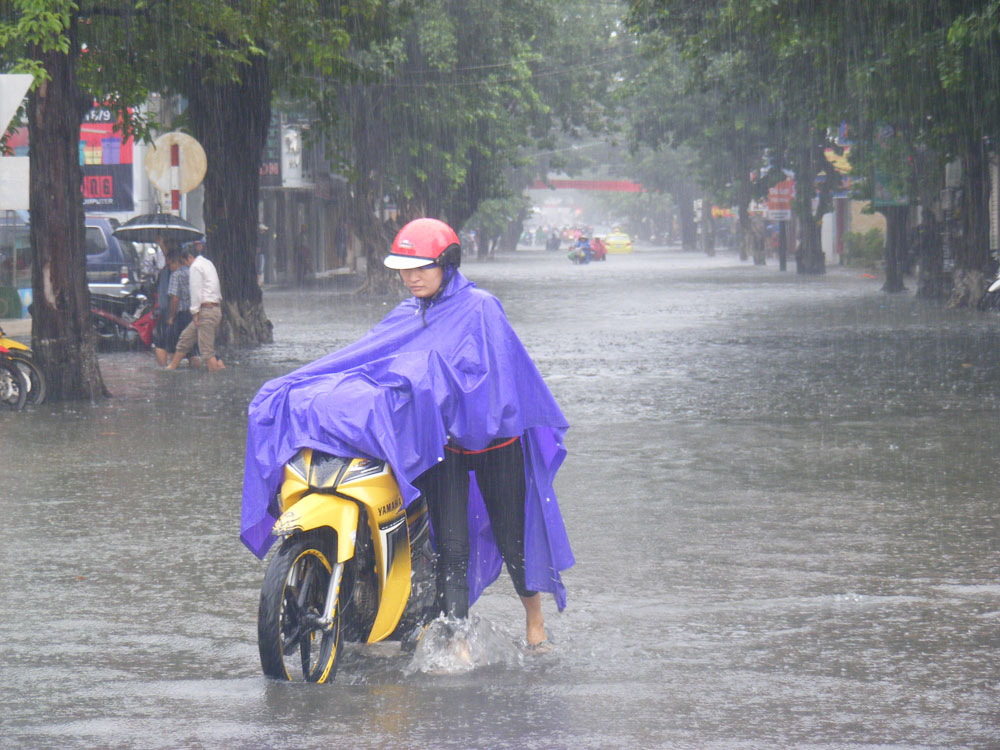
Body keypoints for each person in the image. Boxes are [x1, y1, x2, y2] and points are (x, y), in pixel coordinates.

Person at [241, 217, 573, 650]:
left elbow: (498, 383)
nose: (410, 277)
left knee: (514, 539)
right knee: (451, 547)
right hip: (445, 446)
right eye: (404, 268)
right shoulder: (405, 315)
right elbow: (366, 363)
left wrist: (441, 388)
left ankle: (535, 621)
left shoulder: (483, 309)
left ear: (448, 264)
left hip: (496, 445)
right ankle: (456, 644)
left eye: (421, 267)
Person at [167, 245, 225, 372]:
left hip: (205, 311)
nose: (186, 266)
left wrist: (194, 313)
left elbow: (196, 291)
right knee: (185, 338)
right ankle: (171, 367)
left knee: (206, 351)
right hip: (213, 309)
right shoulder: (208, 263)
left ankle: (215, 378)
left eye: (185, 263)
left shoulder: (195, 267)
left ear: (190, 257)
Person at [161, 251, 200, 368]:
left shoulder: (175, 275)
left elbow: (174, 298)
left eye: (169, 265)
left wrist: (171, 317)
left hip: (181, 315)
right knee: (192, 349)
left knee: (174, 346)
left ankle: (173, 372)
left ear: (175, 263)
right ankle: (196, 372)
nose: (169, 268)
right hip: (192, 314)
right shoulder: (191, 272)